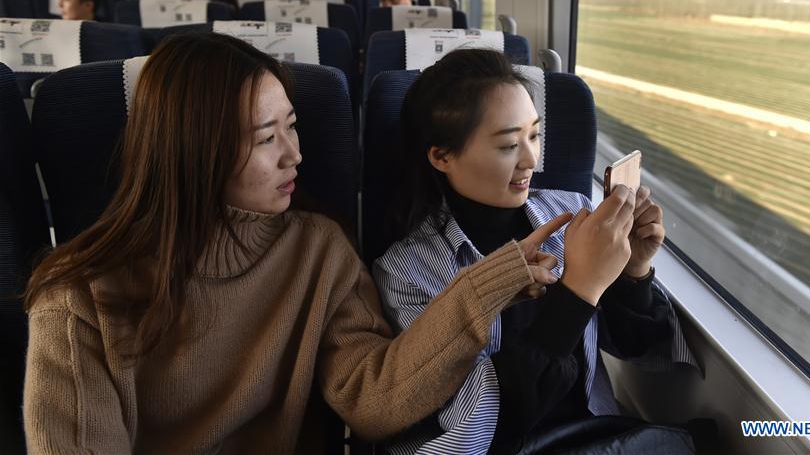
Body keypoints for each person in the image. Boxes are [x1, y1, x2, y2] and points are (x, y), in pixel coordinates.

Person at [22, 33, 568, 452]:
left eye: (294, 126)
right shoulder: (79, 297)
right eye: (266, 138)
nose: (294, 155)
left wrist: (491, 282)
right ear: (196, 152)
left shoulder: (318, 251)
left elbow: (371, 400)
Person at [373, 49, 697, 454]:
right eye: (509, 145)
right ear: (442, 156)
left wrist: (634, 271)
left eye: (534, 135)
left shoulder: (572, 212)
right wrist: (576, 292)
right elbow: (476, 426)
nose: (531, 160)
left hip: (595, 437)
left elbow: (641, 348)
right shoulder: (407, 272)